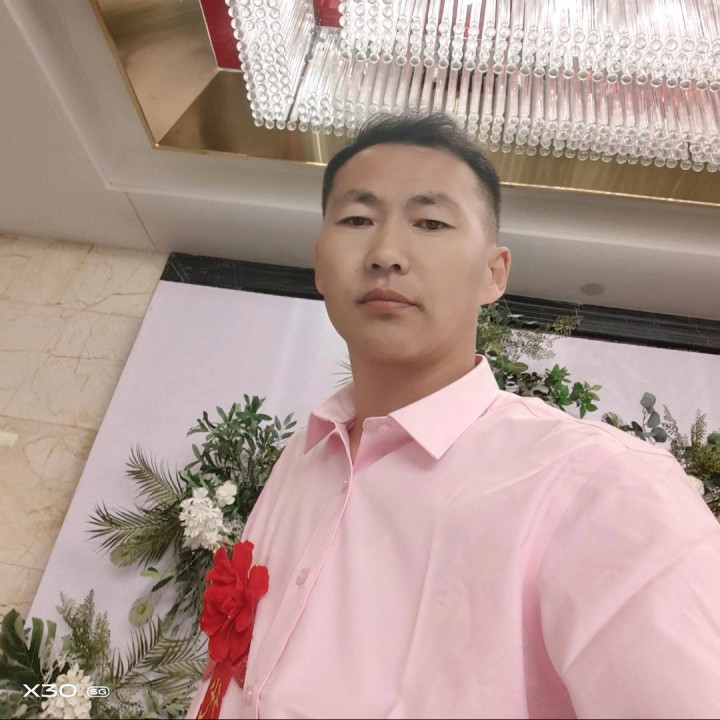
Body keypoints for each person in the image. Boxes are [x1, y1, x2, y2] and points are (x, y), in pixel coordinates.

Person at [187, 113, 720, 719]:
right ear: (318, 263)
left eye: (431, 222)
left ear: (494, 273)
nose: (386, 253)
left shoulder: (603, 488)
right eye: (357, 219)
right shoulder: (304, 456)